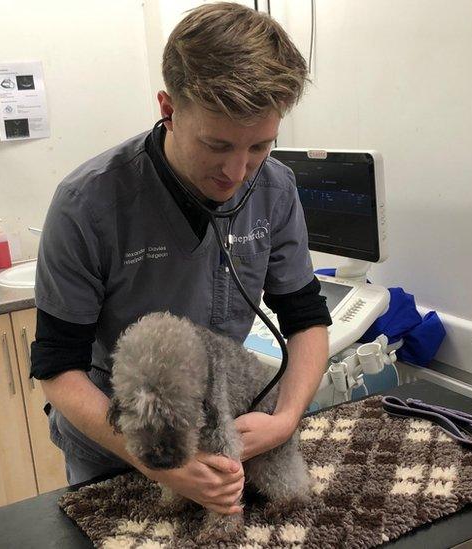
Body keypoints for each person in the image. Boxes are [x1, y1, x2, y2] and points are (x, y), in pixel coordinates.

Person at [30, 2, 331, 516]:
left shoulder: (276, 188)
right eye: (217, 144)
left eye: (260, 145)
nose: (237, 171)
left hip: (226, 433)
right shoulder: (89, 203)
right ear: (168, 109)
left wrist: (285, 418)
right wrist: (155, 460)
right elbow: (58, 367)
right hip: (119, 445)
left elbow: (305, 318)